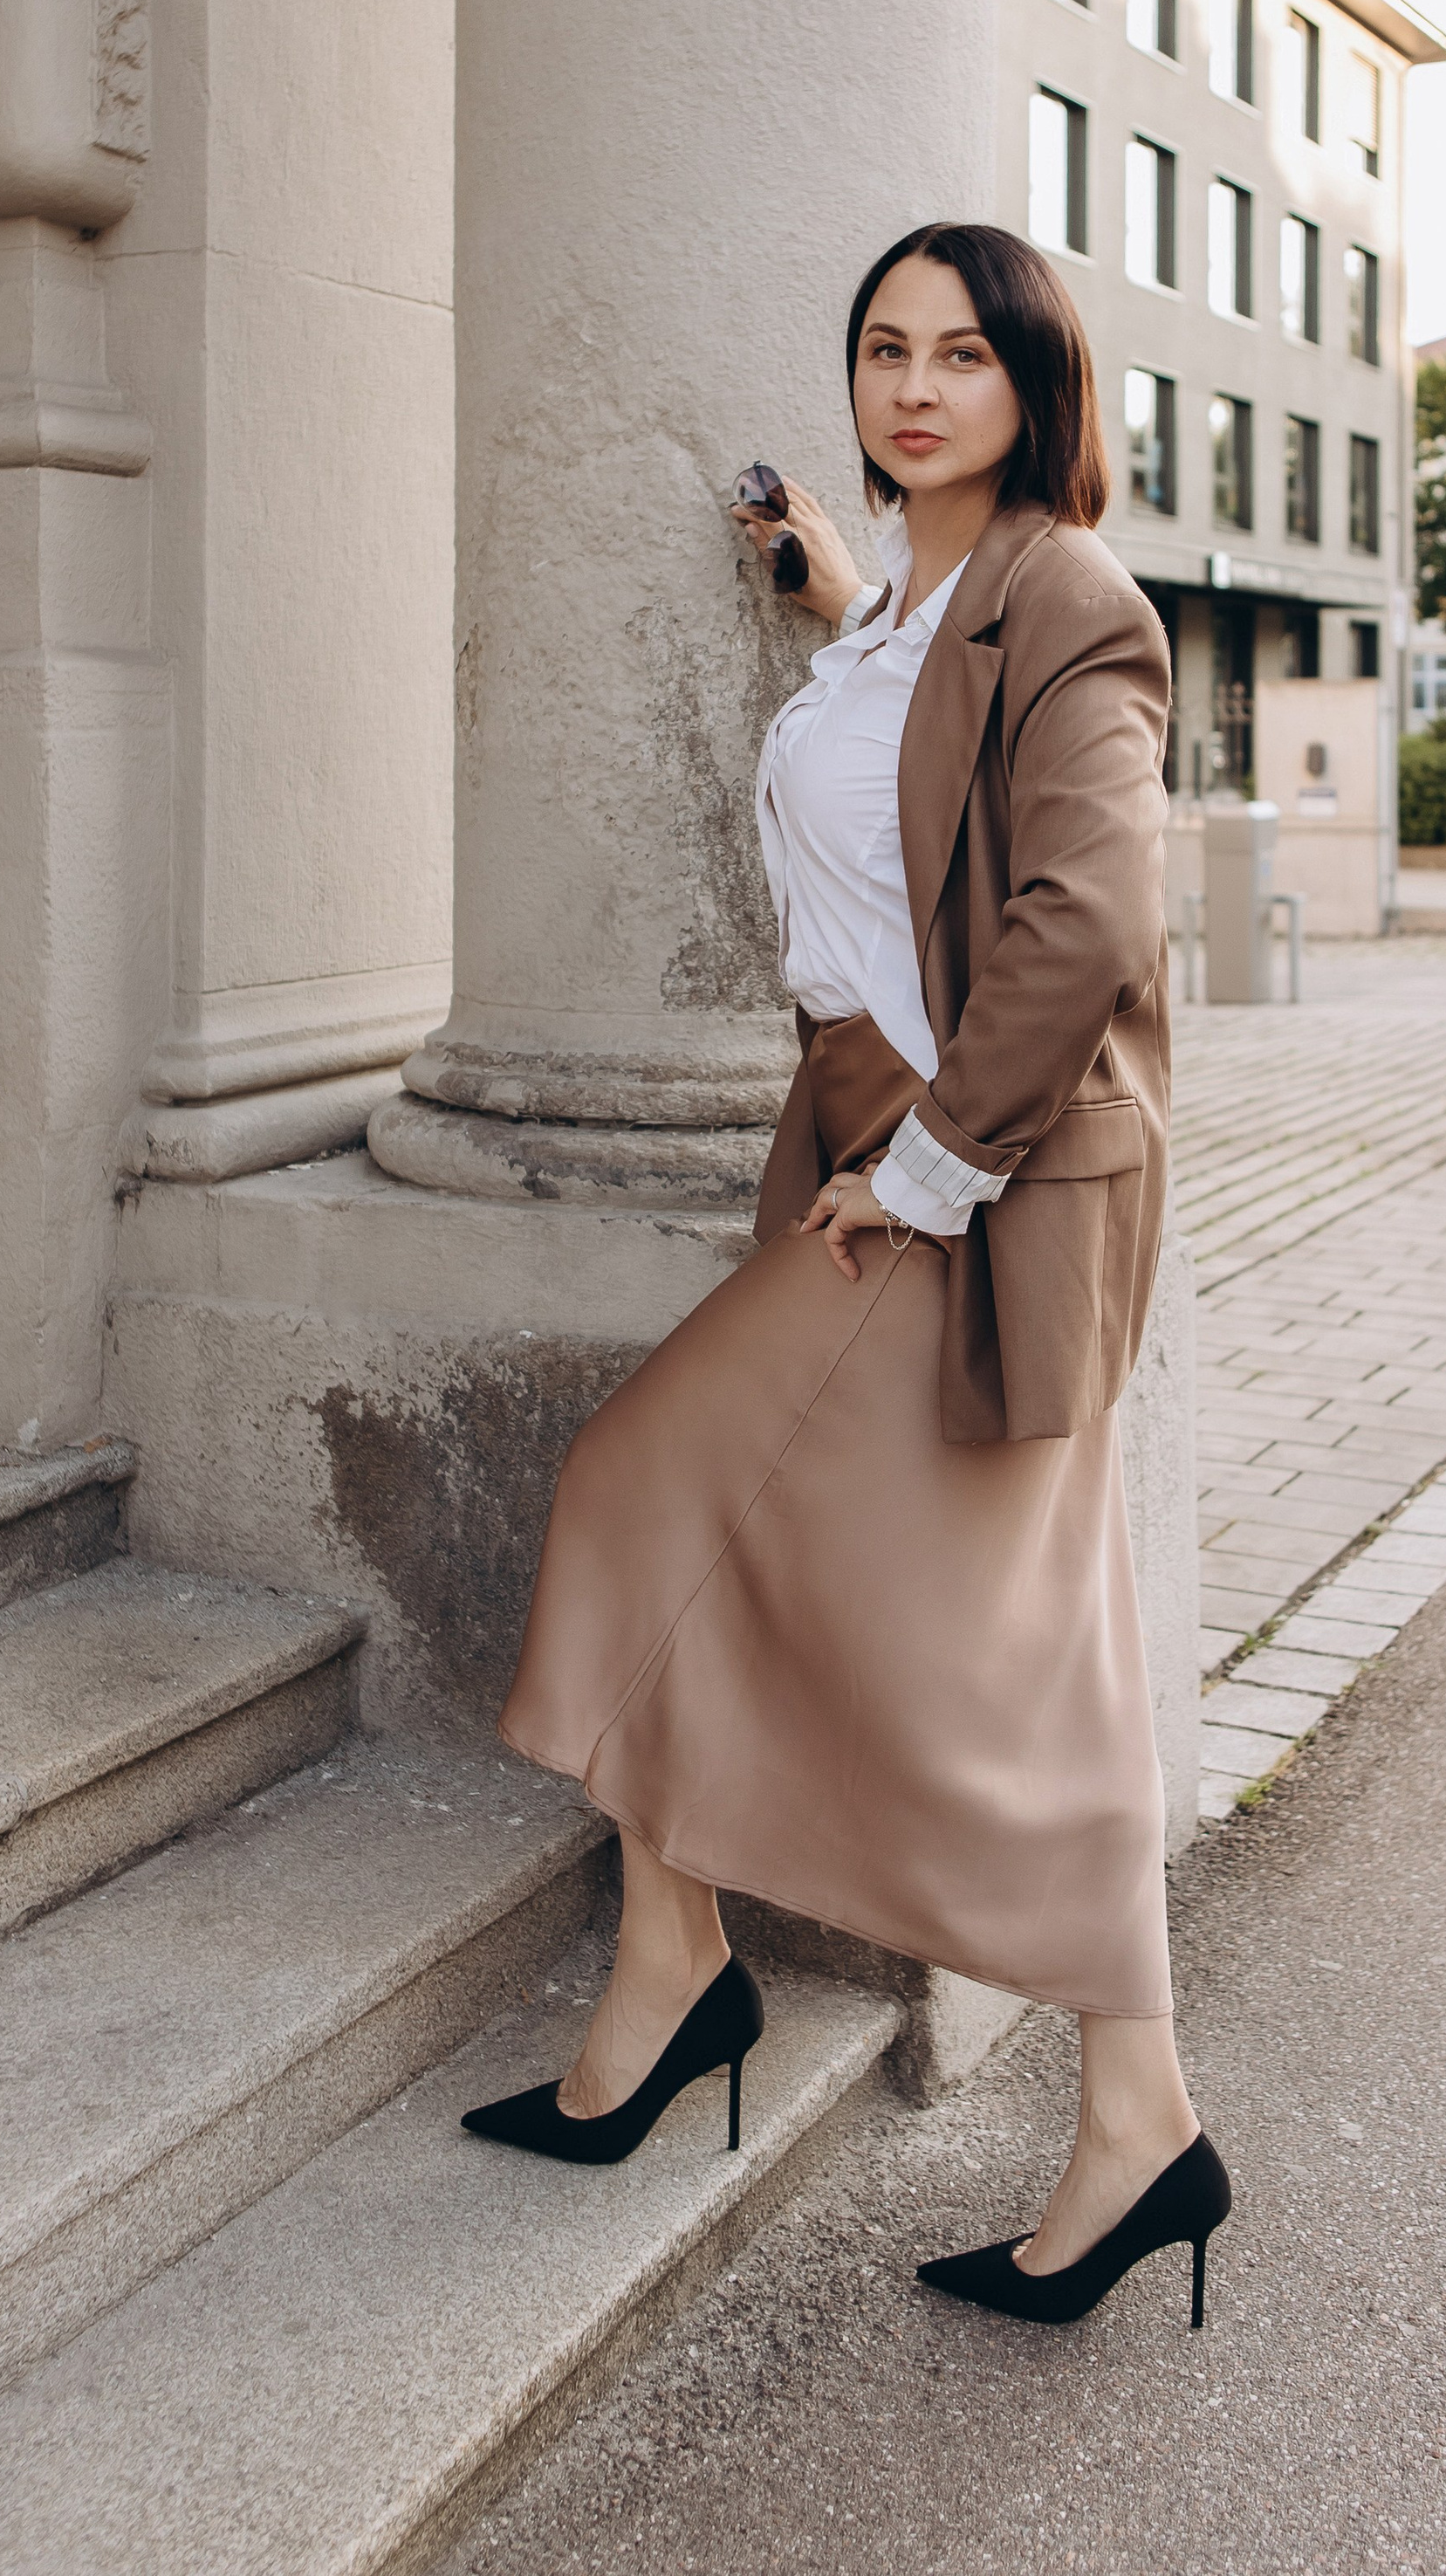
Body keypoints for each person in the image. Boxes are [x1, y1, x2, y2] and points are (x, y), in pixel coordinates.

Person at [463, 223, 1230, 2327]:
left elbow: (1083, 918)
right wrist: (824, 582)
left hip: (956, 1173)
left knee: (674, 1504)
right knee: (1008, 1635)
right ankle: (1109, 2106)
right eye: (882, 352)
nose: (913, 388)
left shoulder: (1069, 600)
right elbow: (894, 769)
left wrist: (924, 1165)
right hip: (873, 1137)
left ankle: (684, 1975)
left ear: (1034, 387)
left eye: (961, 357)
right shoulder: (904, 606)